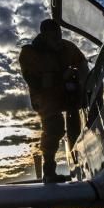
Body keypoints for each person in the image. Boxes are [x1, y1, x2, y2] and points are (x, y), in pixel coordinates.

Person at [18, 19, 88, 183]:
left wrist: (83, 82)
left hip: (67, 94)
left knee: (75, 117)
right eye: (53, 36)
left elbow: (82, 62)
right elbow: (35, 82)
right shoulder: (29, 54)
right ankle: (49, 171)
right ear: (43, 36)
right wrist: (60, 77)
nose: (57, 39)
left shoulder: (67, 47)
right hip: (45, 97)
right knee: (54, 127)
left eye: (59, 34)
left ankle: (79, 157)